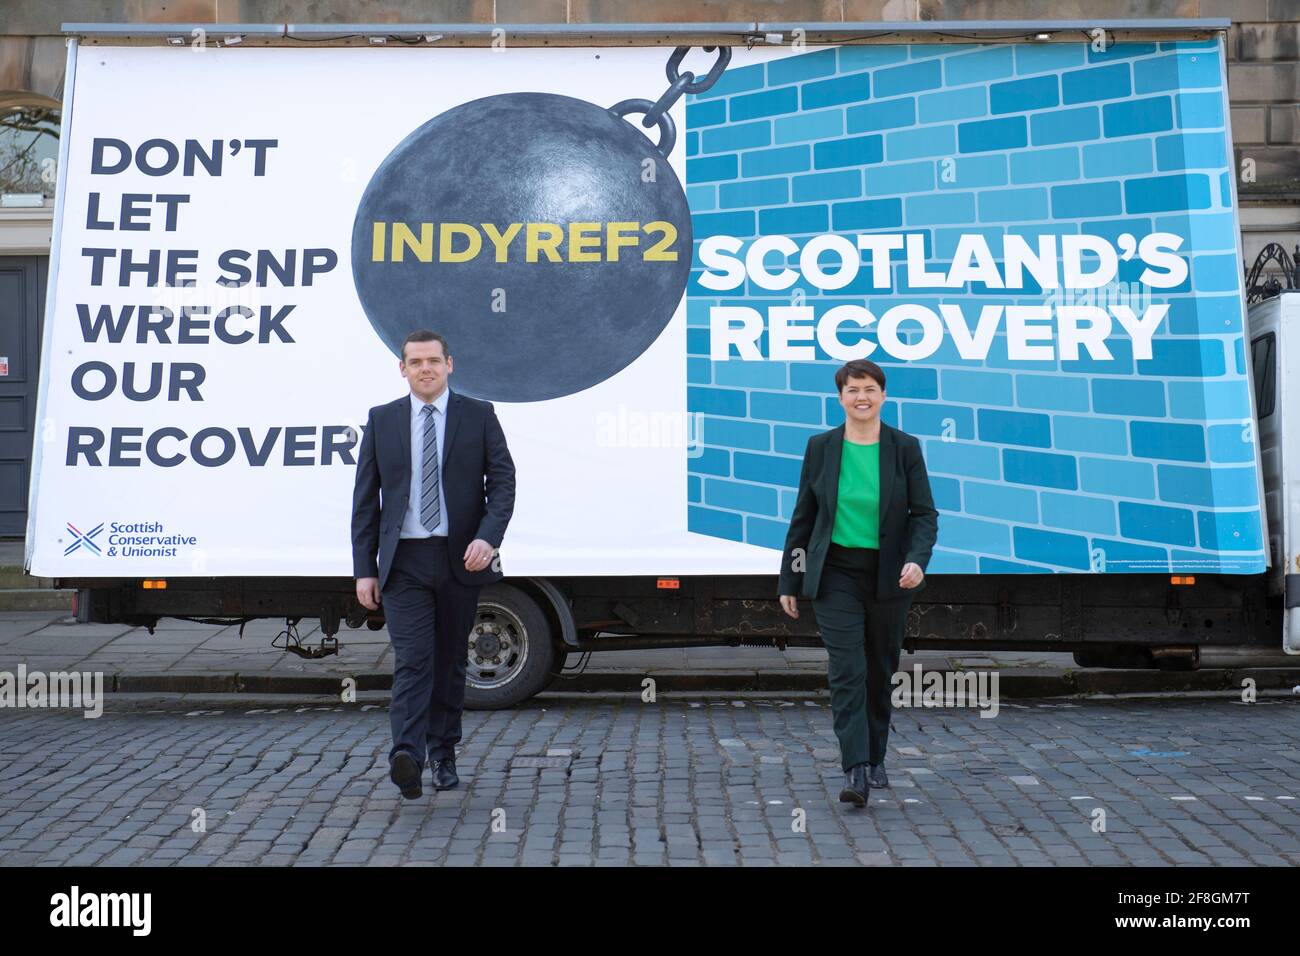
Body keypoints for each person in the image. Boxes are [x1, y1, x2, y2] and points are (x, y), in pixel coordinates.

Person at [351, 330, 516, 800]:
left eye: (434, 361)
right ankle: (407, 755)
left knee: (449, 662)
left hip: (459, 558)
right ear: (402, 369)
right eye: (416, 361)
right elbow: (366, 500)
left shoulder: (479, 416)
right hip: (403, 563)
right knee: (413, 660)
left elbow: (503, 483)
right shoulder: (382, 421)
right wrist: (365, 567)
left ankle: (443, 752)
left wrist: (488, 537)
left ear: (450, 364)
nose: (426, 368)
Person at [777, 358, 938, 809]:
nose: (861, 397)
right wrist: (791, 577)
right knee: (847, 668)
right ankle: (857, 768)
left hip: (889, 576)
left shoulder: (904, 448)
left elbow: (924, 515)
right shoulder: (822, 447)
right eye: (852, 390)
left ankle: (876, 753)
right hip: (835, 575)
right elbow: (804, 517)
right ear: (840, 397)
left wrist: (916, 560)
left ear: (883, 395)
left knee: (878, 669)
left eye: (869, 388)